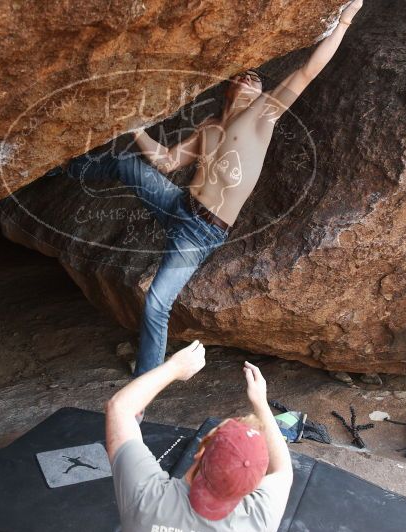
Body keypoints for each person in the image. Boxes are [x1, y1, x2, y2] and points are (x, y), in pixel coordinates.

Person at [60, 0, 364, 376]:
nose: (253, 78)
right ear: (229, 85)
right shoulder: (209, 126)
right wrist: (135, 129)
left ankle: (144, 385)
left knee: (156, 303)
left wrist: (346, 18)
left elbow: (307, 71)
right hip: (177, 204)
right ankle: (67, 170)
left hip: (202, 231)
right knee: (126, 165)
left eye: (259, 79)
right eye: (247, 74)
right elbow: (168, 161)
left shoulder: (262, 117)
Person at [105, 340, 293, 532]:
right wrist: (260, 401)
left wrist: (174, 367)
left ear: (200, 451)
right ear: (255, 483)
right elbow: (283, 469)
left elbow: (120, 408)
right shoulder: (259, 520)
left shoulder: (147, 500)